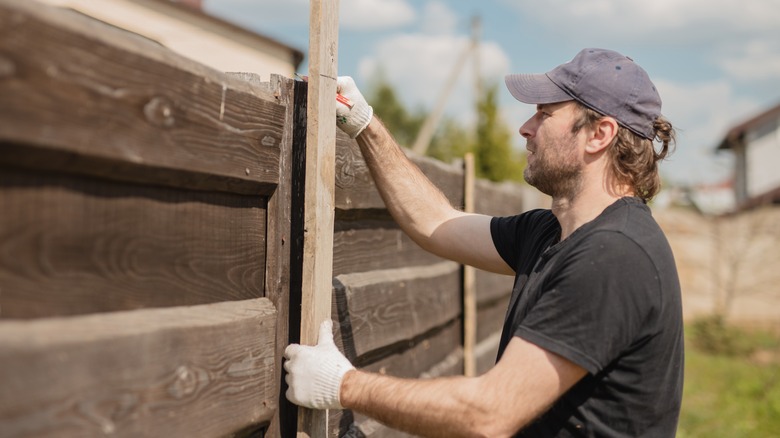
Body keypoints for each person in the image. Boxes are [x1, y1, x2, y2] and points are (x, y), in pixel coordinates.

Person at [284, 48, 684, 437]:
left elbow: (489, 413)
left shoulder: (613, 255)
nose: (526, 128)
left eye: (545, 114)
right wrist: (365, 124)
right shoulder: (550, 233)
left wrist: (342, 385)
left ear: (600, 134)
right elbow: (435, 221)